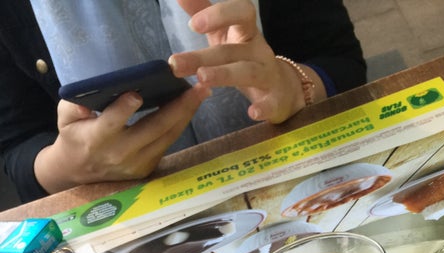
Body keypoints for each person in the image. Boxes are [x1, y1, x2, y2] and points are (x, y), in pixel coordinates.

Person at [0, 0, 366, 203]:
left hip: (314, 190)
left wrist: (294, 85)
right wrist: (67, 165)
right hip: (129, 250)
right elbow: (18, 144)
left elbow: (340, 60)